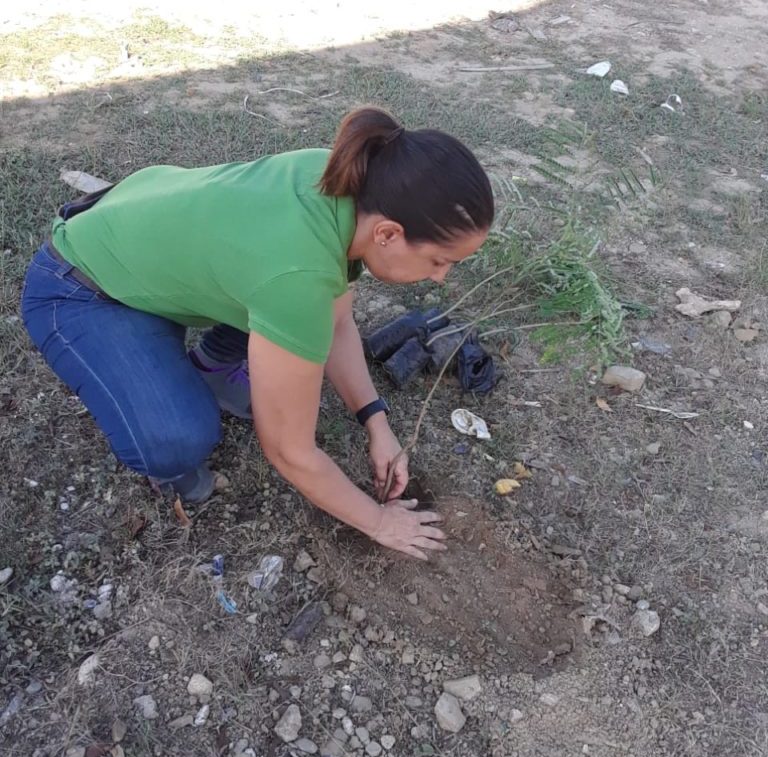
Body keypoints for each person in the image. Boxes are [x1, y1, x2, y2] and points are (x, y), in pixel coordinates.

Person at [21, 107, 494, 561]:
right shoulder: (297, 272)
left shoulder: (344, 181)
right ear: (388, 234)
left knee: (285, 305)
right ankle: (162, 433)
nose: (441, 279)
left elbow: (334, 318)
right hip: (78, 289)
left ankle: (214, 369)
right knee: (180, 439)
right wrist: (378, 521)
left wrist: (377, 423)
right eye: (439, 261)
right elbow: (289, 451)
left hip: (139, 234)